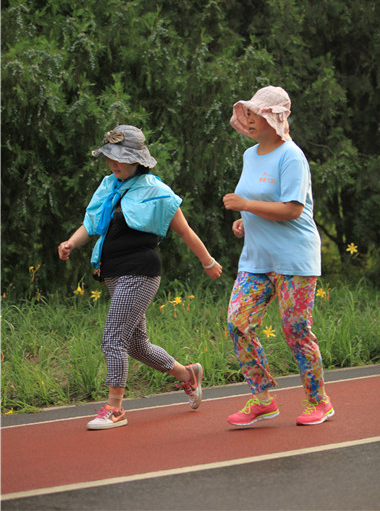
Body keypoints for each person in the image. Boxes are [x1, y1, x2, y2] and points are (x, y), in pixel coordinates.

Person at [58, 125, 222, 430]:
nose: (113, 163)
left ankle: (115, 408)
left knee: (113, 338)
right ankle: (189, 375)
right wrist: (70, 242)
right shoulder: (109, 186)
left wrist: (207, 261)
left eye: (120, 158)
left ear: (139, 160)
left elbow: (184, 231)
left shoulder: (156, 191)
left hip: (140, 273)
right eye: (109, 157)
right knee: (136, 345)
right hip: (113, 275)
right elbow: (92, 223)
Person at [222, 86, 334, 427]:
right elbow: (259, 200)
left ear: (275, 118)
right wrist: (245, 220)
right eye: (249, 114)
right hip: (256, 259)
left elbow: (292, 210)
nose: (251, 119)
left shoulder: (291, 156)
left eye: (257, 114)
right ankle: (263, 398)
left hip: (294, 259)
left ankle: (319, 401)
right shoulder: (249, 156)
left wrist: (246, 206)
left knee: (296, 330)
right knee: (238, 324)